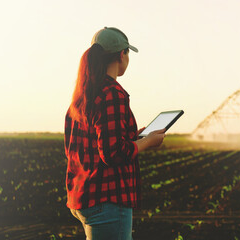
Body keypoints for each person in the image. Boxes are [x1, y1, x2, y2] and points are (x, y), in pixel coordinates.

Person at [64, 27, 165, 240]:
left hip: (83, 196)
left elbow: (87, 144)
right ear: (122, 54)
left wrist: (137, 136)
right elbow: (112, 153)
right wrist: (148, 142)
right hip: (107, 200)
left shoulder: (84, 94)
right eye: (128, 53)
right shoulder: (112, 93)